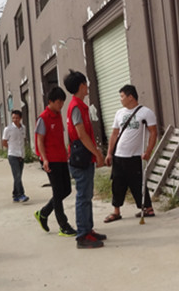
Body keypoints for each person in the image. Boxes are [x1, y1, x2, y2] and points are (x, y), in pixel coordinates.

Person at [64, 69, 106, 249]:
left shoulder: (80, 106)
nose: (87, 86)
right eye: (86, 83)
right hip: (81, 157)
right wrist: (97, 153)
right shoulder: (76, 107)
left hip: (84, 156)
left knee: (87, 195)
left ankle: (88, 229)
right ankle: (82, 235)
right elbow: (81, 134)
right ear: (81, 85)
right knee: (83, 196)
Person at [104, 85, 158, 222]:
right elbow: (114, 134)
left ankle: (148, 208)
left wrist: (148, 151)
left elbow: (153, 132)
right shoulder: (119, 113)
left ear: (130, 97)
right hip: (119, 155)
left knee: (137, 183)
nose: (120, 99)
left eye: (122, 96)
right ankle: (116, 211)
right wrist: (109, 153)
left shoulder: (146, 113)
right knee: (117, 184)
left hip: (134, 156)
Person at [33, 87, 76, 236]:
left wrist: (66, 154)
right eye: (59, 102)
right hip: (50, 160)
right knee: (58, 192)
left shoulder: (58, 115)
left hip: (61, 158)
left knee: (66, 190)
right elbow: (39, 141)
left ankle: (43, 213)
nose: (61, 105)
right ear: (50, 101)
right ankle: (63, 225)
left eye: (63, 102)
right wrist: (44, 159)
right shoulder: (43, 118)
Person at [2, 110, 29, 203]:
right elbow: (4, 142)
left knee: (18, 176)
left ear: (20, 118)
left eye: (17, 118)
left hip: (21, 155)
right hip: (13, 155)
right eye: (13, 118)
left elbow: (23, 139)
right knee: (17, 176)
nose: (15, 119)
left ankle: (15, 195)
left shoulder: (23, 128)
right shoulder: (8, 129)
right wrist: (12, 149)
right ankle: (21, 194)